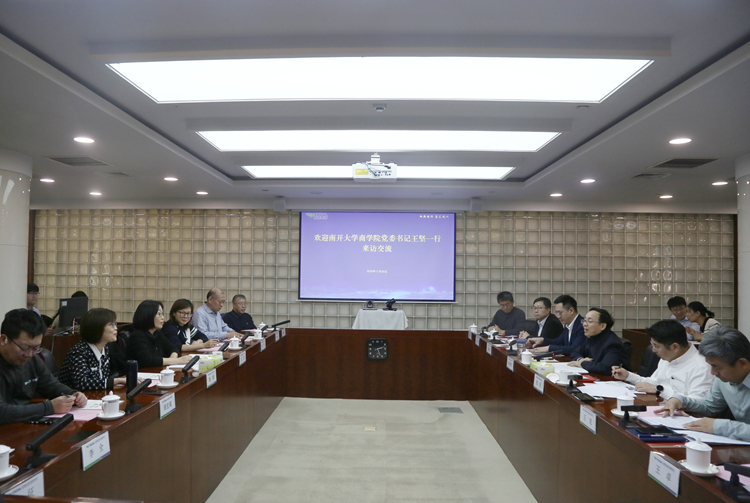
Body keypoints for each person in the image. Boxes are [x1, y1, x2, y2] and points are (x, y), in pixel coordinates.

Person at [658, 327, 750, 441]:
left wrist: (720, 426)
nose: (713, 372)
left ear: (742, 364)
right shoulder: (723, 379)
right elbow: (709, 406)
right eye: (710, 365)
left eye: (717, 367)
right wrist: (680, 400)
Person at [0, 309, 87, 424]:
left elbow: (51, 386)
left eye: (35, 348)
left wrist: (73, 394)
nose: (29, 354)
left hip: (21, 424)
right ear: (4, 340)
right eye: (25, 348)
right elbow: (2, 412)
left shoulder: (33, 361)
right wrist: (49, 407)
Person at [611, 319, 713, 400]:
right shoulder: (667, 357)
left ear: (674, 347)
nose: (653, 350)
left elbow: (698, 402)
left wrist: (660, 390)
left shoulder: (702, 367)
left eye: (656, 346)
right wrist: (628, 376)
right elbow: (653, 383)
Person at [59, 308, 127, 390]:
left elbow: (102, 378)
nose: (116, 328)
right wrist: (114, 381)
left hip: (97, 394)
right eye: (111, 325)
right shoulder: (79, 352)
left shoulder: (105, 347)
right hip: (73, 396)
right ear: (97, 328)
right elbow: (81, 383)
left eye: (115, 324)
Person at [125, 300, 191, 368]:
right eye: (159, 314)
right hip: (140, 372)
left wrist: (173, 358)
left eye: (162, 314)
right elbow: (147, 360)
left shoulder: (156, 333)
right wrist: (177, 360)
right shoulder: (137, 336)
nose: (163, 318)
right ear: (148, 315)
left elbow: (173, 348)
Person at [569, 308, 628, 374]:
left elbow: (605, 368)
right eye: (584, 320)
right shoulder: (591, 337)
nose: (584, 324)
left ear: (602, 326)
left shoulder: (613, 344)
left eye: (590, 321)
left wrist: (582, 363)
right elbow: (575, 352)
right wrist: (580, 359)